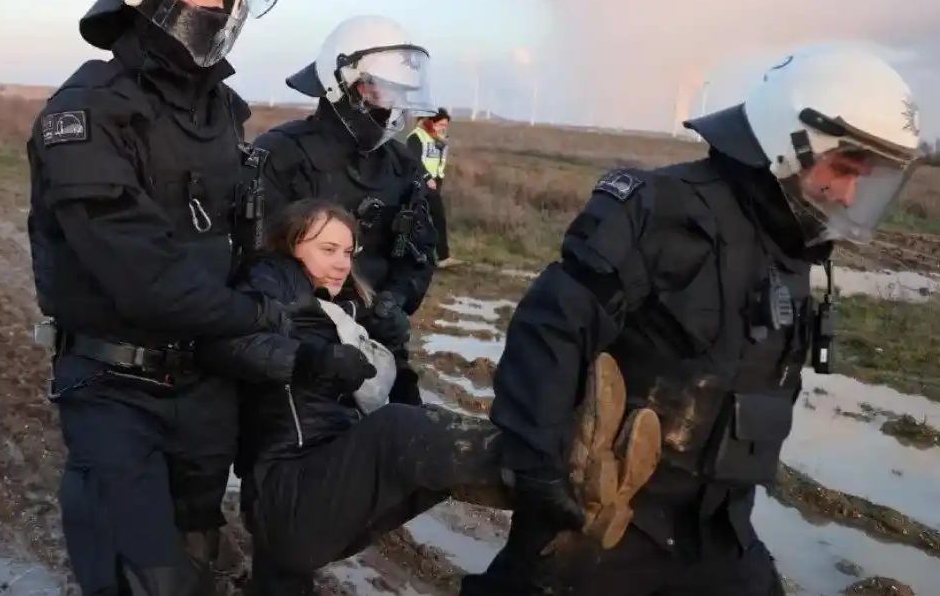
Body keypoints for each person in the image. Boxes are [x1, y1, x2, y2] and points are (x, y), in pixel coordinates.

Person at [460, 44, 926, 595]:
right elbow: (552, 328)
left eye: (862, 179)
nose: (848, 194)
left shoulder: (795, 251)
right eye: (842, 170)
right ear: (789, 141)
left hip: (720, 534)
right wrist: (537, 465)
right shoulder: (659, 208)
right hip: (607, 523)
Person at [23, 0, 300, 593]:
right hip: (115, 387)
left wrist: (281, 286)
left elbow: (251, 238)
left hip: (208, 388)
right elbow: (143, 275)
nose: (212, 6)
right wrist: (259, 315)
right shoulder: (88, 112)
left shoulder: (225, 114)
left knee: (198, 552)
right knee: (143, 576)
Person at [205, 198, 661, 596]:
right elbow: (231, 344)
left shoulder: (341, 310)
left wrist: (393, 353)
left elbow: (383, 391)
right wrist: (311, 360)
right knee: (395, 431)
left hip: (319, 501)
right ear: (289, 245)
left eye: (348, 252)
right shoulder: (269, 281)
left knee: (427, 460)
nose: (342, 263)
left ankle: (577, 500)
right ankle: (565, 459)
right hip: (288, 497)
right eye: (328, 249)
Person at [251, 15, 441, 407]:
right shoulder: (282, 154)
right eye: (380, 90)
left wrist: (392, 303)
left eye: (400, 94)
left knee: (406, 434)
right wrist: (330, 316)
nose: (391, 107)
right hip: (299, 349)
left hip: (377, 346)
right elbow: (256, 260)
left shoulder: (403, 166)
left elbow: (419, 253)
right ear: (341, 85)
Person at [406, 108, 459, 268]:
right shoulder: (416, 136)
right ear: (431, 122)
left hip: (434, 184)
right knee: (417, 220)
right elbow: (414, 161)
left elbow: (439, 162)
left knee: (438, 219)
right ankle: (412, 256)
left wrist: (438, 178)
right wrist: (427, 177)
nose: (444, 128)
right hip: (419, 183)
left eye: (446, 125)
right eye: (441, 124)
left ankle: (443, 257)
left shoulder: (440, 140)